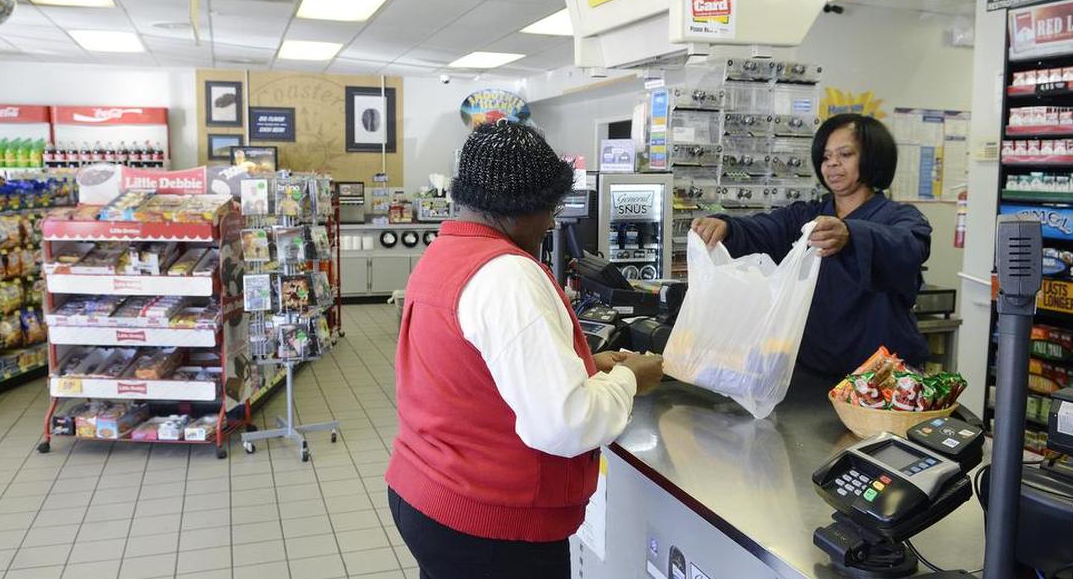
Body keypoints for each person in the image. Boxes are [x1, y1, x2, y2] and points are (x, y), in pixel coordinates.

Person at [385, 120, 665, 579]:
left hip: (426, 495)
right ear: (518, 209)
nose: (552, 222)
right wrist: (630, 379)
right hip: (490, 528)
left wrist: (583, 367)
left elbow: (470, 372)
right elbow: (566, 424)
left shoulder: (446, 253)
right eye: (549, 209)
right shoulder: (509, 275)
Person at [691, 113, 931, 379]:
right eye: (826, 157)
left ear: (873, 157)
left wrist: (851, 234)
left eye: (845, 154)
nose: (833, 164)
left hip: (882, 374)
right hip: (814, 370)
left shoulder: (901, 217)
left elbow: (908, 246)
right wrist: (727, 227)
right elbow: (765, 230)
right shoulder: (806, 216)